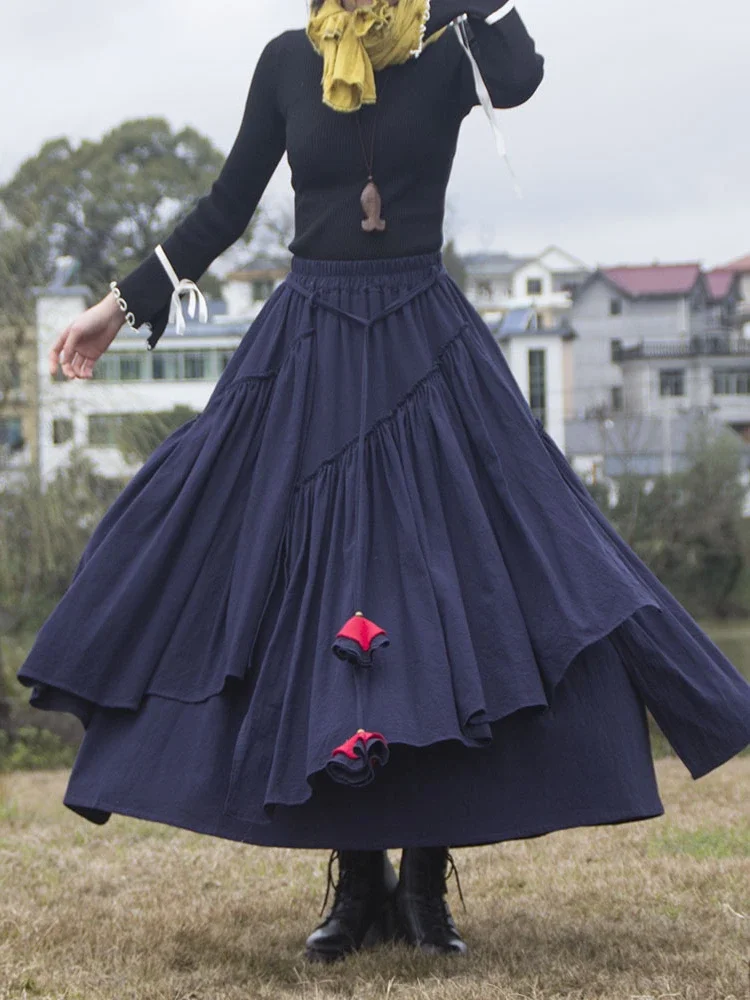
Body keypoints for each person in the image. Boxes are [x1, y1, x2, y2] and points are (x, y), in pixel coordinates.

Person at [17, 0, 750, 967]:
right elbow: (225, 208)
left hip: (426, 349)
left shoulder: (448, 53)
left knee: (444, 605)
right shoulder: (287, 61)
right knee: (307, 605)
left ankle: (424, 887)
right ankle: (357, 883)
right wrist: (116, 306)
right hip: (311, 349)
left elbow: (523, 78)